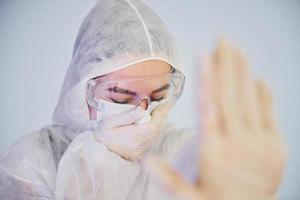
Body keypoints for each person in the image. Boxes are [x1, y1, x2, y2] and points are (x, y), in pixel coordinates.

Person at [0, 0, 197, 199]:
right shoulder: (31, 165)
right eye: (121, 98)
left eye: (158, 97)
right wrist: (100, 159)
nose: (144, 118)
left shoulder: (181, 153)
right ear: (83, 90)